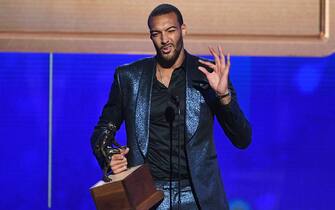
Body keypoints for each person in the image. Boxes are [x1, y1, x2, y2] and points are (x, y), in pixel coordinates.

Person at [91, 3, 252, 210]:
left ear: (183, 30)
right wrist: (110, 156)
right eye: (157, 33)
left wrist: (223, 95)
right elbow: (103, 129)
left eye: (171, 31)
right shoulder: (129, 78)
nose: (165, 39)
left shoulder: (207, 75)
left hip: (198, 197)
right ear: (151, 36)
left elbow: (243, 138)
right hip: (147, 195)